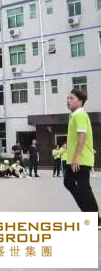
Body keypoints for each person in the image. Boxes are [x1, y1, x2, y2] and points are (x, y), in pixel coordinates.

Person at [62, 89, 100, 229]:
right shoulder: (74, 116)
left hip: (80, 159)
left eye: (71, 98)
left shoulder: (80, 115)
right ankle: (89, 214)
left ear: (80, 101)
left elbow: (82, 136)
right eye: (68, 98)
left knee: (83, 187)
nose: (68, 100)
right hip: (75, 158)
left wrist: (76, 157)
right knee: (69, 182)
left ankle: (95, 218)